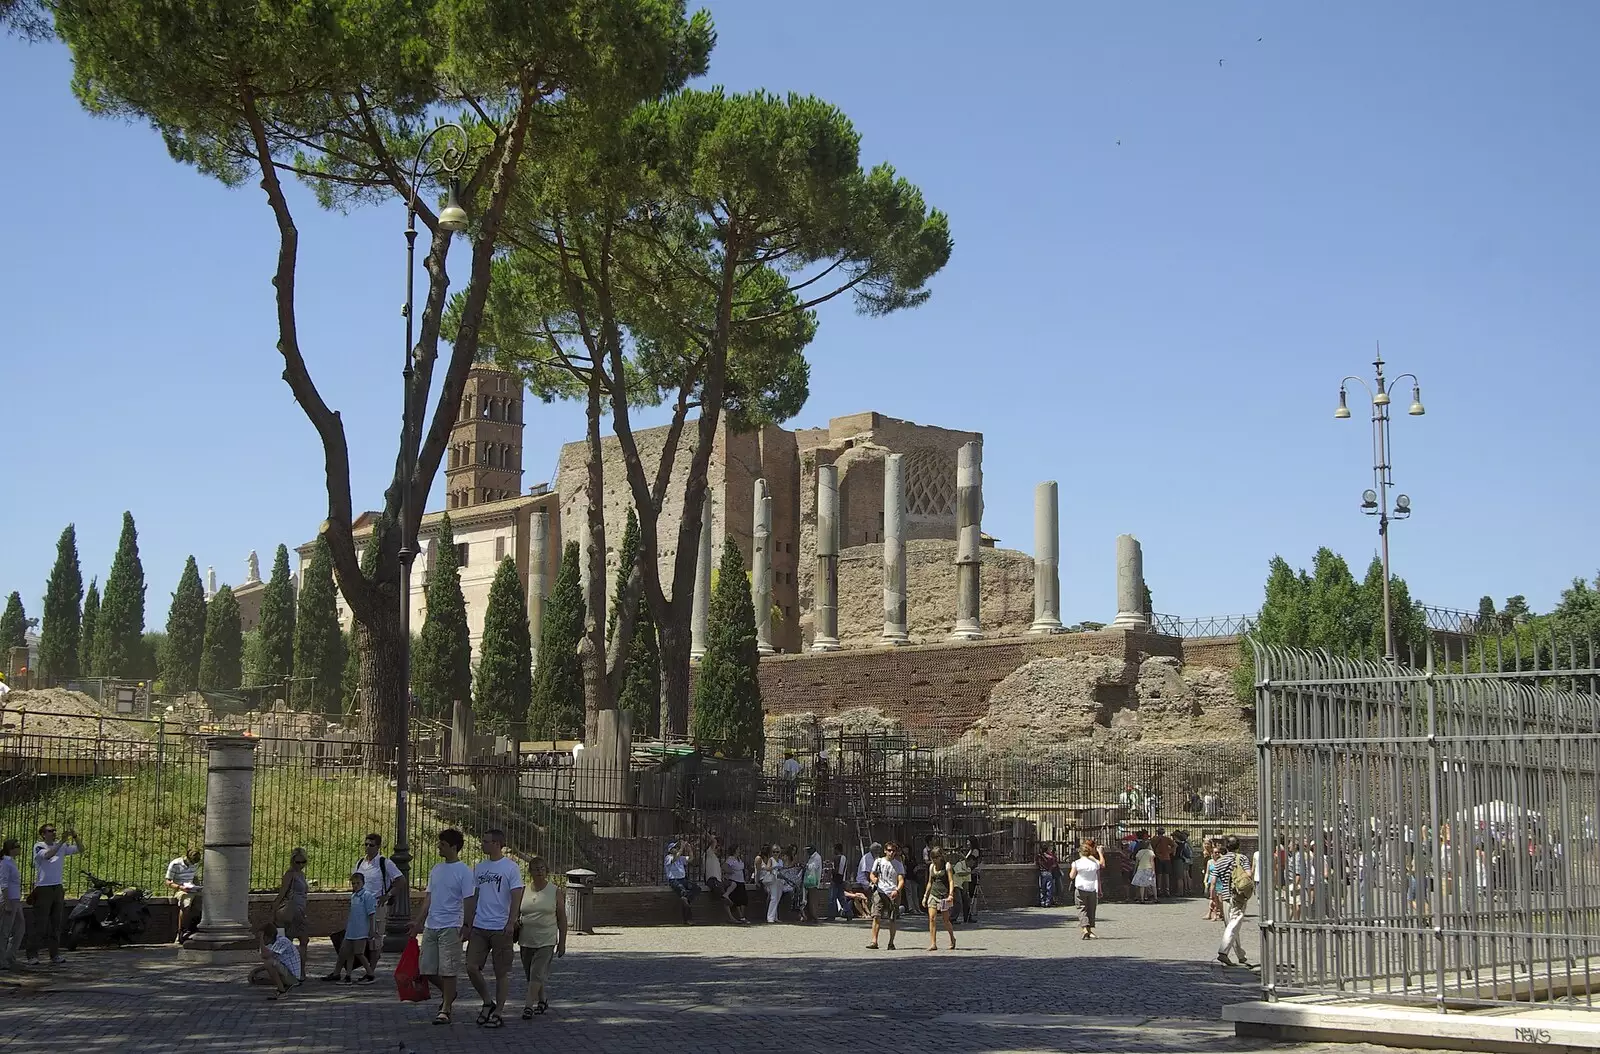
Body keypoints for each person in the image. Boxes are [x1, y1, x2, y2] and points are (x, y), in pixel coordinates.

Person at [409, 828, 477, 1026]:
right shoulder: (436, 869)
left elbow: (469, 900)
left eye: (443, 844)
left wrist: (466, 924)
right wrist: (419, 921)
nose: (439, 847)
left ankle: (446, 1008)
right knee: (427, 969)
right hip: (432, 925)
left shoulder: (464, 871)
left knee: (448, 969)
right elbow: (429, 897)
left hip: (451, 925)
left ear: (453, 847)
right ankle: (450, 994)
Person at [466, 829, 522, 1028]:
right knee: (471, 967)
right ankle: (488, 1002)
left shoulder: (510, 868)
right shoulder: (479, 868)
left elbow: (516, 895)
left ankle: (499, 1012)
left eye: (486, 841)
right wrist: (469, 921)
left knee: (501, 972)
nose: (482, 844)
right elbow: (475, 895)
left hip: (501, 927)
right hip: (480, 925)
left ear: (497, 844)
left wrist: (511, 921)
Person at [517, 854, 566, 1019]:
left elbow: (562, 917)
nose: (539, 871)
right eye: (536, 869)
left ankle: (528, 1006)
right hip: (526, 939)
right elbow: (517, 913)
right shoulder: (524, 890)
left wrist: (562, 942)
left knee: (537, 973)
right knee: (531, 975)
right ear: (530, 871)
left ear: (547, 871)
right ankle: (542, 1000)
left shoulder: (554, 891)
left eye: (542, 868)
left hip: (547, 938)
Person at [27, 824, 80, 966]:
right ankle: (32, 954)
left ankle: (54, 954)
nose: (53, 833)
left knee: (56, 923)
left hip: (57, 887)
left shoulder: (60, 846)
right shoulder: (39, 846)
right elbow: (48, 855)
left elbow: (80, 849)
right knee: (40, 923)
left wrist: (75, 837)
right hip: (43, 888)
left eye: (54, 831)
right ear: (43, 834)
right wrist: (62, 841)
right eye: (50, 831)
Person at [353, 833, 396, 970]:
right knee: (359, 937)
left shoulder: (385, 863)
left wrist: (387, 895)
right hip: (360, 906)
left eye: (371, 845)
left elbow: (400, 881)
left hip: (377, 905)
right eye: (365, 844)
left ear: (378, 847)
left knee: (375, 939)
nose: (367, 847)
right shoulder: (360, 863)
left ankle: (371, 970)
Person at [332, 870, 377, 984]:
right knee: (348, 952)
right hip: (351, 930)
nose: (355, 886)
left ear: (363, 883)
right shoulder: (353, 896)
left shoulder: (367, 896)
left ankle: (370, 973)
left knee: (359, 952)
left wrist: (372, 929)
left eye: (358, 883)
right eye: (353, 883)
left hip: (361, 930)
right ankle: (348, 976)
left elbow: (371, 914)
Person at [273, 847, 311, 978]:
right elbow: (282, 892)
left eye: (303, 862)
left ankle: (301, 971)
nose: (300, 865)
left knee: (304, 940)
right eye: (297, 862)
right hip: (291, 911)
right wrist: (274, 909)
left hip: (301, 911)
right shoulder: (289, 874)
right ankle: (288, 970)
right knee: (287, 941)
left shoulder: (301, 874)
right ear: (292, 861)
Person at [1215, 835, 1253, 968]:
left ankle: (1240, 955)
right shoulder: (1242, 858)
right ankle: (1223, 952)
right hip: (1238, 895)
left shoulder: (1219, 861)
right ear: (1238, 846)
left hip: (1224, 896)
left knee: (1231, 926)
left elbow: (1215, 880)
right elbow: (1248, 874)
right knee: (1235, 923)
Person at [867, 842, 904, 950]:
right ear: (885, 851)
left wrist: (897, 890)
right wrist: (874, 880)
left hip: (892, 892)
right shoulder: (878, 861)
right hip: (880, 891)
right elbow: (872, 874)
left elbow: (901, 880)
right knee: (876, 916)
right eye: (889, 850)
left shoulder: (898, 864)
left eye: (893, 851)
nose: (891, 853)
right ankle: (874, 941)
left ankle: (891, 942)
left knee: (892, 919)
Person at [252, 922, 302, 999]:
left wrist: (261, 940)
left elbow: (265, 956)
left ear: (270, 936)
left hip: (293, 978)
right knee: (257, 976)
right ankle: (282, 984)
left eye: (263, 938)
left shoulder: (282, 941)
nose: (262, 940)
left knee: (269, 963)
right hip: (285, 972)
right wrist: (255, 971)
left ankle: (282, 992)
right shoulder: (272, 943)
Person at [165, 847, 202, 944]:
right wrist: (180, 887)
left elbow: (194, 877)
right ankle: (181, 932)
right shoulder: (175, 864)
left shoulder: (195, 864)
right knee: (186, 904)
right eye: (192, 862)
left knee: (205, 901)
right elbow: (168, 881)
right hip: (180, 889)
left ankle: (197, 928)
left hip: (192, 888)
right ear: (187, 857)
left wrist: (199, 887)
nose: (194, 864)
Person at [923, 846, 956, 951]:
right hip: (933, 894)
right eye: (932, 858)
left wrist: (950, 894)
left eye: (936, 857)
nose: (934, 860)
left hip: (944, 896)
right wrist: (925, 896)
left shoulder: (947, 866)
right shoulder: (931, 867)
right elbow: (929, 882)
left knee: (945, 920)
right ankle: (933, 943)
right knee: (932, 919)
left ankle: (952, 938)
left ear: (941, 857)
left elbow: (951, 881)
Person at [1070, 842, 1103, 940]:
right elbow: (1101, 864)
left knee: (1082, 908)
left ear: (1080, 852)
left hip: (1080, 888)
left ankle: (1085, 928)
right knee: (1091, 909)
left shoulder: (1076, 863)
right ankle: (1089, 930)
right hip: (1092, 888)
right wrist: (1100, 853)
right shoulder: (1095, 863)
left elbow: (1071, 876)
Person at [0, 839, 23, 969]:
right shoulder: (5, 863)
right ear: (11, 849)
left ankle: (10, 956)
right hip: (9, 899)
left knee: (20, 927)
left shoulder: (11, 862)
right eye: (17, 846)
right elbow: (3, 884)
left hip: (16, 899)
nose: (20, 848)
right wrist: (7, 903)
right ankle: (2, 959)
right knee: (5, 930)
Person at [663, 840, 697, 924]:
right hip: (674, 880)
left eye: (677, 847)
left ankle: (685, 901)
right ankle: (688, 919)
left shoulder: (681, 858)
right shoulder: (668, 857)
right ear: (670, 850)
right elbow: (675, 859)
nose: (677, 848)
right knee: (684, 894)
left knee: (696, 889)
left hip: (683, 879)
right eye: (675, 847)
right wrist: (682, 848)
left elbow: (691, 859)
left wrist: (689, 849)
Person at [722, 844, 750, 924]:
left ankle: (743, 916)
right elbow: (724, 866)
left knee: (744, 900)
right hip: (735, 881)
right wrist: (730, 871)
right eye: (737, 849)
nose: (739, 850)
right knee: (738, 900)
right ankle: (741, 917)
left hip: (741, 881)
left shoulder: (739, 859)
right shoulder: (731, 859)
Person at [826, 842, 850, 921]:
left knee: (832, 898)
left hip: (837, 880)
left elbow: (840, 870)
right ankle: (849, 913)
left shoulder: (840, 858)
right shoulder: (838, 858)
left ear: (837, 849)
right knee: (841, 898)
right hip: (839, 880)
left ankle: (831, 915)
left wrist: (832, 872)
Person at [1151, 827, 1176, 898]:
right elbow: (1175, 845)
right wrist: (1169, 852)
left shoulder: (1154, 839)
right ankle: (1167, 890)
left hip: (1158, 858)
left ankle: (1159, 890)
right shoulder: (1167, 839)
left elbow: (1151, 847)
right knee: (1166, 875)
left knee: (1159, 874)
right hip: (1167, 858)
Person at [962, 838, 982, 923]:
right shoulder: (970, 850)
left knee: (971, 894)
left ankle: (971, 912)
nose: (967, 843)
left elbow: (971, 862)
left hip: (972, 874)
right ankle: (968, 914)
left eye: (968, 841)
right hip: (969, 873)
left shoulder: (975, 851)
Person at [1132, 839, 1157, 904]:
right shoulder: (1150, 852)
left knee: (1142, 885)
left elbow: (1137, 862)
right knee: (1153, 884)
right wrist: (1153, 870)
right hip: (1149, 868)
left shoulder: (1139, 852)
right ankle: (1155, 898)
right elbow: (1152, 862)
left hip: (1140, 869)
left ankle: (1142, 899)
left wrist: (1135, 870)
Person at [1034, 842, 1058, 907]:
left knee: (1042, 888)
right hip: (1049, 873)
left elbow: (1036, 863)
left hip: (1042, 872)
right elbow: (1054, 864)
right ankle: (1048, 902)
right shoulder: (1050, 857)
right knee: (1049, 888)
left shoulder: (1039, 856)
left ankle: (1042, 901)